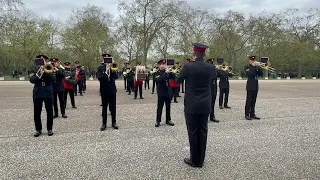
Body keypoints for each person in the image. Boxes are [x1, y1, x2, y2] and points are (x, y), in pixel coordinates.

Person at [176, 43, 216, 168]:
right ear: (204, 54)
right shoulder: (210, 67)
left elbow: (178, 80)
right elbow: (213, 77)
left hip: (192, 104)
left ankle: (194, 160)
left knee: (193, 132)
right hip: (205, 104)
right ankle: (201, 160)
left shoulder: (188, 67)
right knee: (203, 131)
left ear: (194, 54)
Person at [29, 55, 55, 137]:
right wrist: (40, 73)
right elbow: (32, 80)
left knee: (50, 112)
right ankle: (38, 129)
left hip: (48, 92)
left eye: (43, 60)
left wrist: (45, 72)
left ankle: (49, 129)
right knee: (37, 112)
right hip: (38, 92)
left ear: (45, 61)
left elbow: (53, 78)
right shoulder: (33, 69)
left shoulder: (50, 67)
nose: (42, 61)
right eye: (40, 60)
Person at [98, 54, 119, 130]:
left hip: (112, 90)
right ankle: (104, 123)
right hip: (104, 90)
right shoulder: (100, 68)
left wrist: (111, 68)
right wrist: (106, 72)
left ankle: (114, 122)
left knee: (113, 107)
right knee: (104, 107)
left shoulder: (113, 66)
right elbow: (100, 78)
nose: (107, 61)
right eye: (105, 59)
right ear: (103, 59)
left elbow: (116, 76)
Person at [155, 59, 175, 127]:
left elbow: (174, 77)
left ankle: (168, 120)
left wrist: (170, 72)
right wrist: (166, 73)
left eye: (164, 64)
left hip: (168, 91)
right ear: (159, 65)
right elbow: (159, 80)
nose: (163, 66)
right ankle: (158, 121)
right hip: (161, 92)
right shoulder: (157, 72)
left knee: (168, 106)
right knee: (160, 107)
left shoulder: (167, 71)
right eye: (162, 64)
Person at [244, 56, 263, 120]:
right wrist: (254, 66)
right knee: (248, 101)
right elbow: (249, 74)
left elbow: (261, 74)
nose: (253, 61)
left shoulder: (256, 67)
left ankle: (252, 114)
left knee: (253, 101)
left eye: (253, 60)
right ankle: (247, 114)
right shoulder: (247, 67)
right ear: (249, 61)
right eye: (251, 60)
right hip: (250, 86)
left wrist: (259, 67)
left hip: (255, 85)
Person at [206, 58, 219, 123]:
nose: (212, 64)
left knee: (212, 103)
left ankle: (212, 116)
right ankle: (205, 117)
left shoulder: (214, 69)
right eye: (211, 63)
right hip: (208, 89)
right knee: (207, 104)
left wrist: (218, 70)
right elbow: (213, 76)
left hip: (214, 88)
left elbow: (219, 75)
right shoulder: (206, 69)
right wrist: (215, 70)